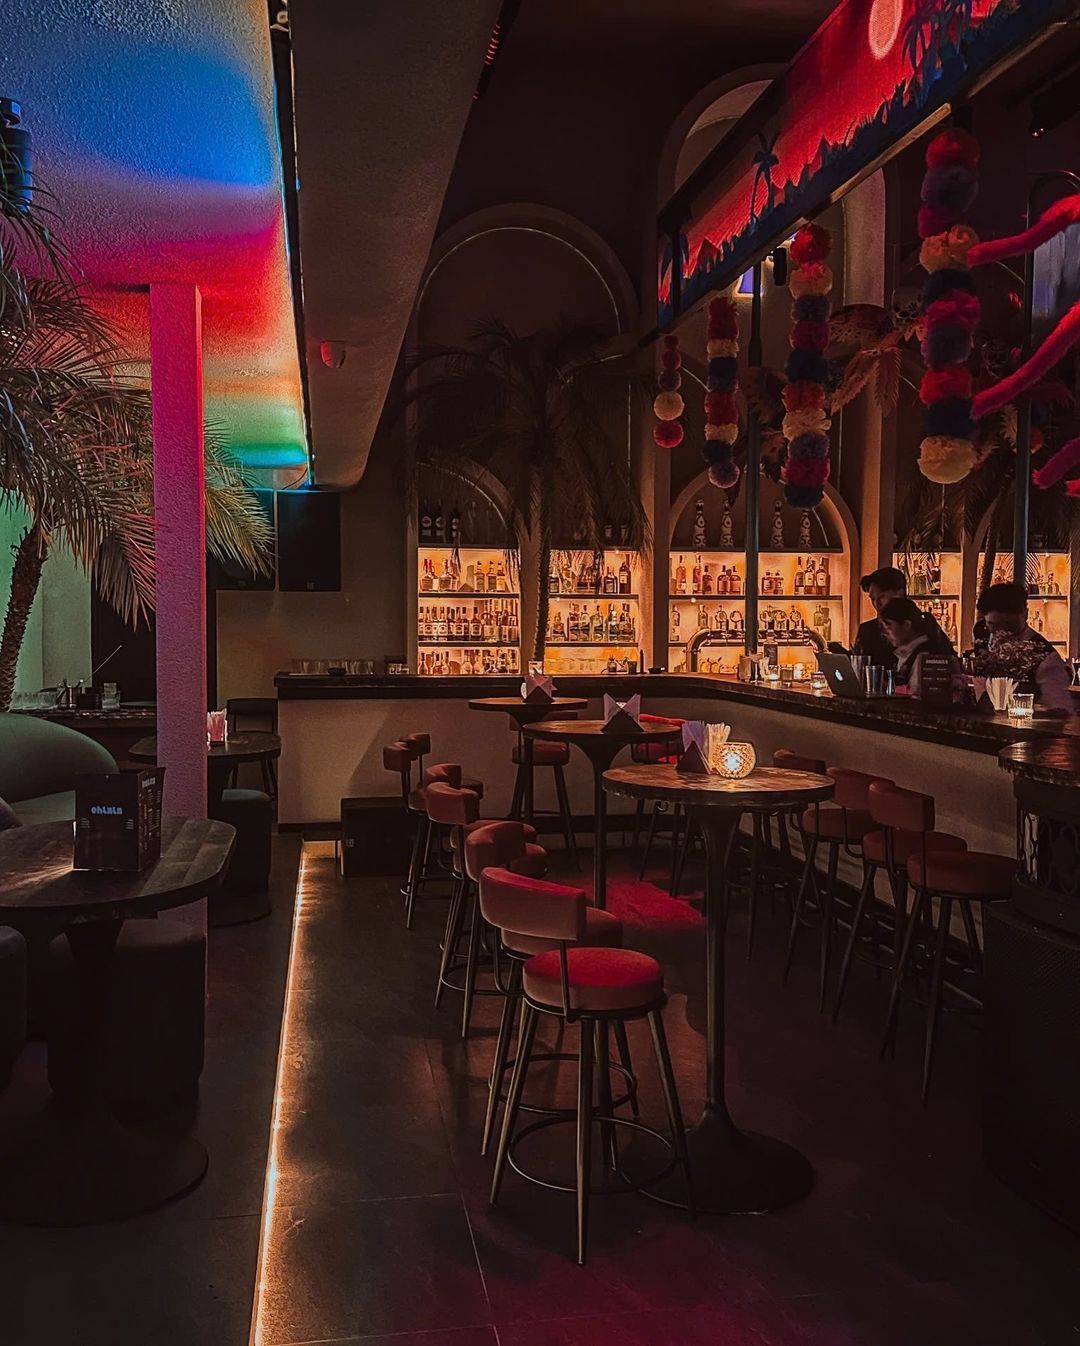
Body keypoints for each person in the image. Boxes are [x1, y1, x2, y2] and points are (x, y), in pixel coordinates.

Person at [974, 581, 1072, 711]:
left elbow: (1060, 709)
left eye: (1009, 625)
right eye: (994, 625)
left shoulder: (1046, 658)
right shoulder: (981, 633)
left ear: (1026, 615)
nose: (1002, 632)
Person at [854, 566, 952, 668]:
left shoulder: (926, 624)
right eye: (873, 599)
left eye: (882, 597)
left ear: (899, 593)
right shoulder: (868, 630)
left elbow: (948, 662)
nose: (876, 604)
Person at [879, 597, 957, 695]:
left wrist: (888, 688)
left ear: (907, 625)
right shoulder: (909, 653)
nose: (885, 633)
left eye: (888, 626)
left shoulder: (924, 656)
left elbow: (917, 693)